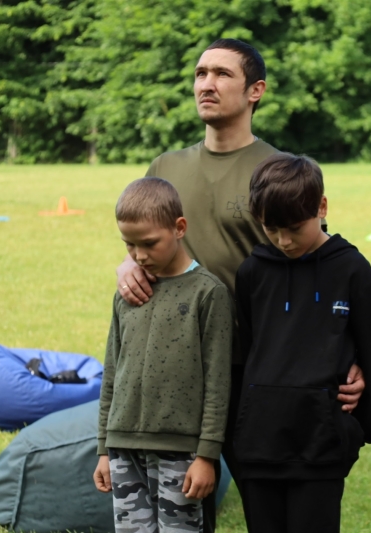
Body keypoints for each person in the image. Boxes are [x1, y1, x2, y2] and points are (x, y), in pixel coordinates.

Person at [112, 38, 365, 528]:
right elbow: (146, 238)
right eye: (201, 73)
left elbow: (324, 267)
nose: (207, 83)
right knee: (182, 503)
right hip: (180, 368)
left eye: (223, 74)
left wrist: (349, 355)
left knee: (265, 500)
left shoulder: (279, 170)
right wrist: (125, 265)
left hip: (259, 366)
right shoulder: (166, 168)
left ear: (256, 91)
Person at [233, 152, 371, 532]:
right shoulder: (252, 272)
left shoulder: (354, 271)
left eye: (293, 228)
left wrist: (357, 427)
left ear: (321, 207)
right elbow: (249, 349)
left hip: (321, 443)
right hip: (259, 443)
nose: (283, 240)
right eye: (271, 229)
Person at [94, 177, 233, 532]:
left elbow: (218, 382)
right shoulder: (127, 294)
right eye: (129, 245)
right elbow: (112, 371)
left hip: (181, 453)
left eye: (149, 243)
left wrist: (206, 456)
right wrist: (104, 449)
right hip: (123, 446)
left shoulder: (208, 293)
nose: (139, 255)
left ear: (179, 228)